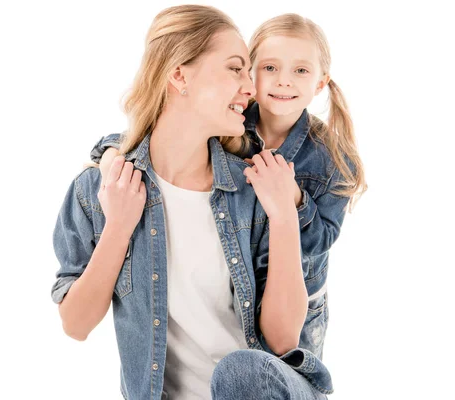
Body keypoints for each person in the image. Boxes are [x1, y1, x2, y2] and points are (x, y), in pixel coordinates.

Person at [52, 5, 332, 399]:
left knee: (242, 372)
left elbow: (284, 341)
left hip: (265, 389)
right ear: (179, 75)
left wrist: (285, 215)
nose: (250, 88)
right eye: (236, 69)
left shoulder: (255, 189)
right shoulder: (99, 189)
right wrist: (118, 227)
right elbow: (75, 325)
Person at [90, 12, 367, 362]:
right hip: (237, 284)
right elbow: (164, 136)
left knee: (287, 376)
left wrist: (291, 198)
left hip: (301, 299)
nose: (283, 81)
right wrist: (112, 153)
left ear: (320, 83)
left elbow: (319, 241)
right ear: (250, 72)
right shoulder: (231, 118)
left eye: (300, 70)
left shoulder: (333, 159)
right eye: (269, 68)